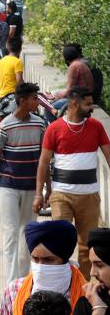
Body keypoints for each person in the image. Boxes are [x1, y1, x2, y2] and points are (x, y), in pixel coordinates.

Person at [35, 87, 110, 278]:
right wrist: (39, 195)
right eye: (88, 104)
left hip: (89, 196)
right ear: (74, 103)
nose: (91, 107)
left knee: (87, 246)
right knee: (60, 242)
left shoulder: (96, 127)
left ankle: (83, 290)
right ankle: (61, 285)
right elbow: (43, 163)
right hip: (61, 195)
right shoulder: (54, 128)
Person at [0, 83, 49, 282]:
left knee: (27, 236)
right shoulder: (4, 126)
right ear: (22, 101)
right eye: (34, 99)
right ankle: (12, 285)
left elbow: (43, 160)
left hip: (31, 187)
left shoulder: (40, 124)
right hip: (8, 187)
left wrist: (48, 189)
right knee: (11, 234)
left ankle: (23, 282)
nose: (37, 102)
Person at [0, 220, 87, 315]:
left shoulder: (86, 296)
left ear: (64, 260)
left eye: (48, 260)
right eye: (35, 259)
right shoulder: (14, 291)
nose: (40, 266)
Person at [72, 228, 110, 315]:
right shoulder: (87, 305)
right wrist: (98, 311)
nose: (92, 273)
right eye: (91, 264)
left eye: (99, 265)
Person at [51, 44, 94, 114]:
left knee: (50, 107)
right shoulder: (82, 63)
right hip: (87, 96)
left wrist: (56, 95)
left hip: (80, 99)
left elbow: (69, 90)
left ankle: (54, 125)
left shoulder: (74, 66)